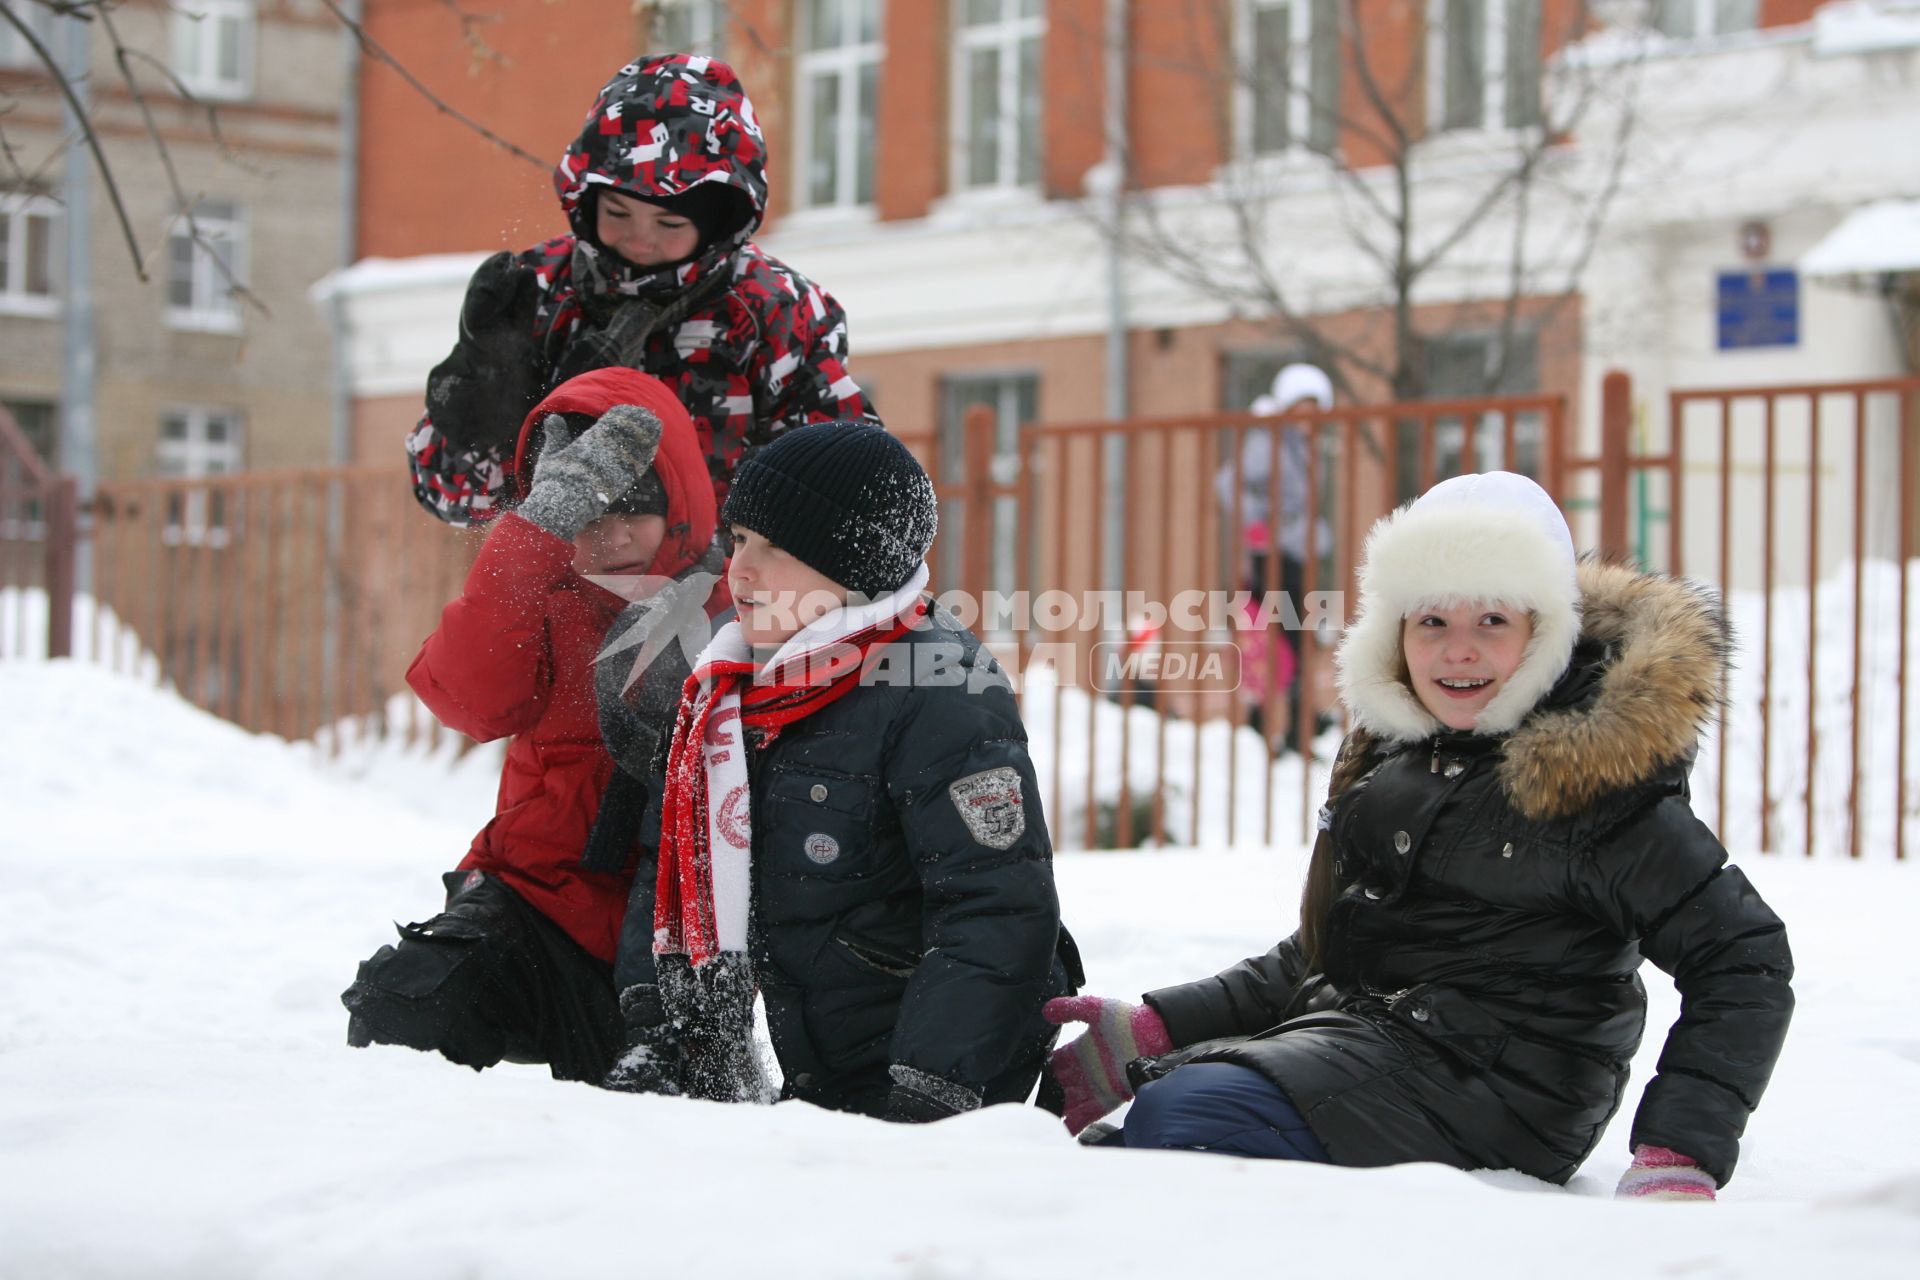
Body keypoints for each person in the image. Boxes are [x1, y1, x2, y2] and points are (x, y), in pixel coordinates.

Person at [1046, 471, 1794, 1200]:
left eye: (1492, 621)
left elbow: (1743, 956)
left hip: (1510, 1091)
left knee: (1192, 1117)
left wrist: (1680, 1148)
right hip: (1373, 1046)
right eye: (1432, 621)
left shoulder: (1590, 783)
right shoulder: (1406, 757)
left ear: (1546, 631)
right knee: (1131, 1137)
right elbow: (1336, 948)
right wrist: (1156, 1026)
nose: (1457, 650)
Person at [601, 420, 1080, 1121]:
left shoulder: (940, 689)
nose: (742, 571)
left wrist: (926, 1090)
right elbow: (669, 859)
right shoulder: (723, 689)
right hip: (815, 1059)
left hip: (925, 1068)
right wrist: (665, 1024)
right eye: (739, 541)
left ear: (853, 570)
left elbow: (995, 907)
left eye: (777, 549)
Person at [341, 367, 720, 1082]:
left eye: (629, 511)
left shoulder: (731, 608)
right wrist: (530, 540)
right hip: (532, 903)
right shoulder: (539, 597)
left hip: (669, 939)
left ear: (680, 503)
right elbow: (468, 701)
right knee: (405, 1006)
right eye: (584, 518)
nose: (606, 538)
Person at [408, 53, 874, 528]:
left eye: (669, 221)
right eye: (617, 212)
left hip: (725, 593)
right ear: (585, 200)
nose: (640, 238)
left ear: (720, 223)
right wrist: (485, 406)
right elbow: (451, 497)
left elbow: (838, 502)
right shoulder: (540, 289)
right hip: (557, 587)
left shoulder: (778, 312)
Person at [1213, 364, 1335, 752]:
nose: (1309, 420)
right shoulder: (1270, 441)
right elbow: (1228, 482)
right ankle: (1294, 726)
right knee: (1287, 639)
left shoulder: (1300, 445)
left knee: (1290, 639)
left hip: (1293, 553)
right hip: (1273, 556)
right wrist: (1259, 523)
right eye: (1302, 410)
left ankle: (1285, 723)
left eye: (1315, 411)